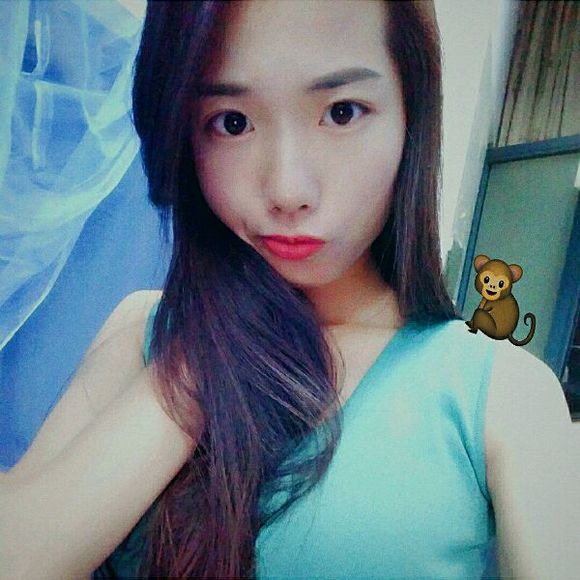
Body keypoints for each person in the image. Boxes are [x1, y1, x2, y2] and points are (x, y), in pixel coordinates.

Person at [1, 1, 578, 578]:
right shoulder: (145, 333)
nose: (287, 190)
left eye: (342, 112)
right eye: (231, 122)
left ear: (412, 115)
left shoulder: (503, 395)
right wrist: (202, 359)